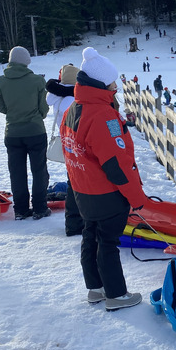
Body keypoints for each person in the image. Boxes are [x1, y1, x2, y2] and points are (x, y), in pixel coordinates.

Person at [61, 47, 146, 311]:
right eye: (113, 82)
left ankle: (95, 289)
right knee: (107, 242)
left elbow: (69, 152)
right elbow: (116, 165)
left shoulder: (74, 109)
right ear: (101, 83)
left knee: (90, 235)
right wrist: (137, 198)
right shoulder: (102, 115)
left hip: (83, 191)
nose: (116, 87)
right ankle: (116, 295)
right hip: (105, 193)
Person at [0, 46, 50, 220]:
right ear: (26, 61)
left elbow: (0, 106)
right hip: (35, 130)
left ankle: (20, 209)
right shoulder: (37, 81)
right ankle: (40, 208)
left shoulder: (2, 80)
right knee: (39, 170)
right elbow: (44, 107)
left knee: (17, 172)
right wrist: (36, 116)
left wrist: (14, 114)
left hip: (12, 132)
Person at [46, 64, 84, 236]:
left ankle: (72, 223)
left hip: (64, 141)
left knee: (72, 180)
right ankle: (76, 223)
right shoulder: (73, 98)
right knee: (76, 183)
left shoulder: (54, 96)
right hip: (75, 143)